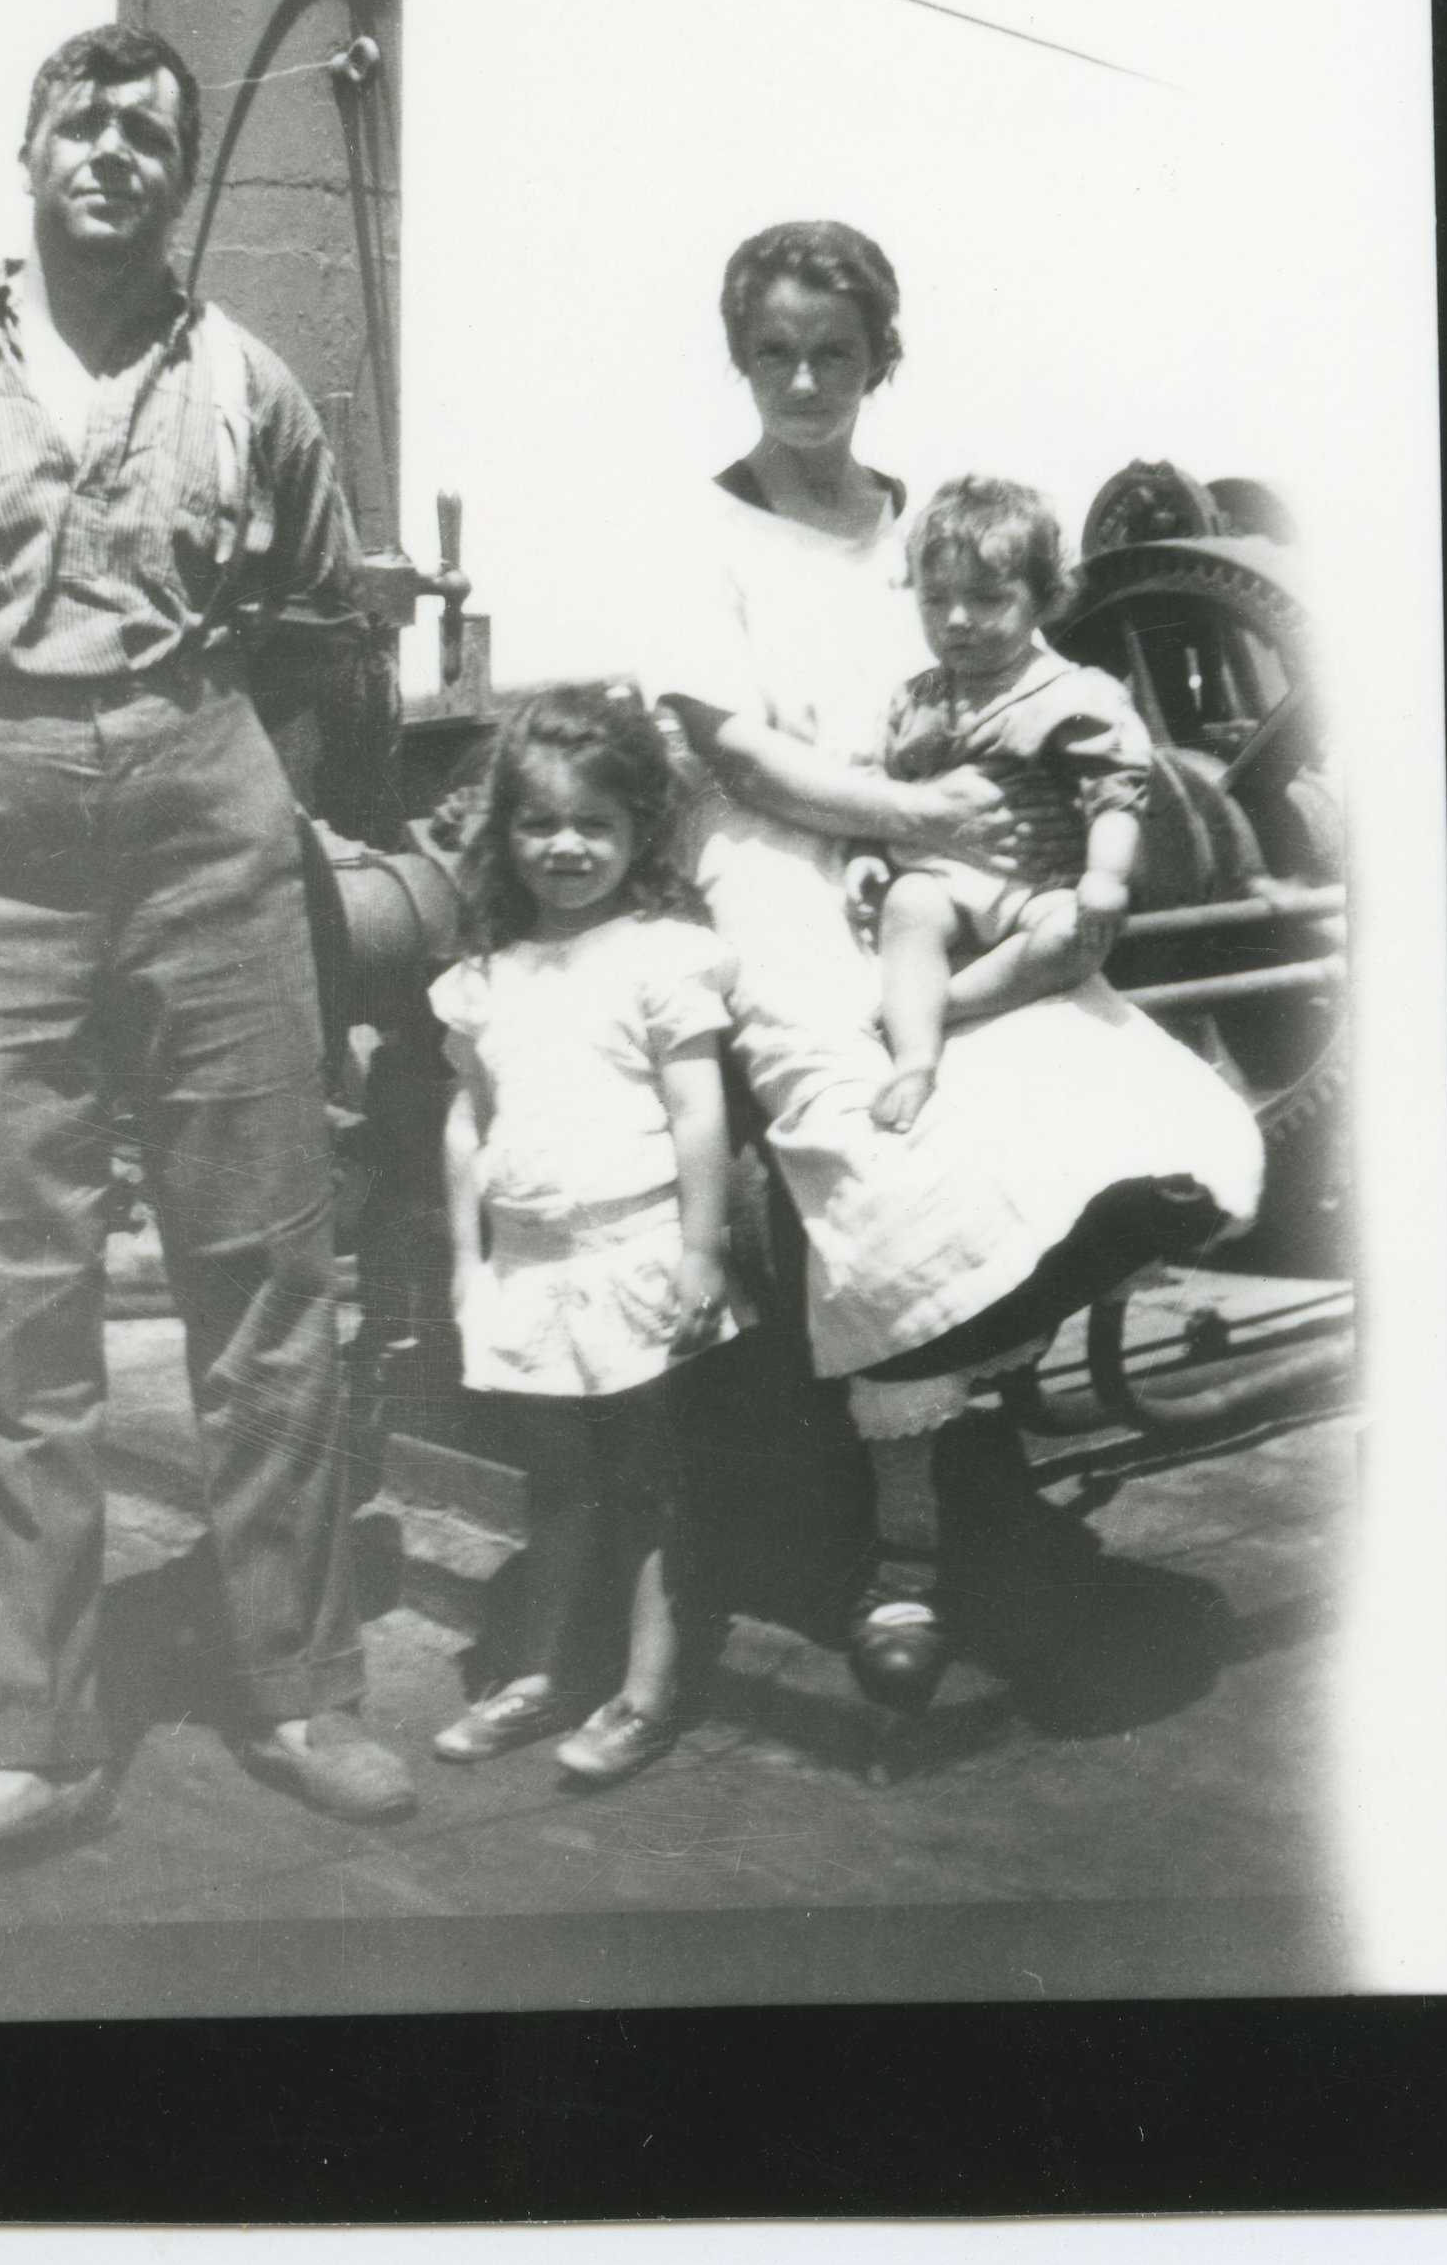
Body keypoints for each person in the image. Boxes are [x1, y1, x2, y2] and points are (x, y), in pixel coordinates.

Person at [0, 20, 416, 1902]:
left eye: (149, 127)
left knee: (265, 1275)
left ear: (177, 170)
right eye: (84, 118)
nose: (115, 148)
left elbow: (322, 632)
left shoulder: (249, 384)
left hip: (209, 812)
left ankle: (298, 1691)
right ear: (28, 145)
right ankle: (32, 1749)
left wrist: (257, 826)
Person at [655, 221, 1263, 1710]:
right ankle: (892, 1529)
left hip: (965, 858)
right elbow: (733, 746)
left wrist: (1066, 855)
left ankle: (966, 1443)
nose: (806, 380)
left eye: (835, 353)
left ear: (881, 361)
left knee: (1107, 1095)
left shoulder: (924, 532)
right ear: (741, 360)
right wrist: (907, 819)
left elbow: (1008, 699)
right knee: (879, 1134)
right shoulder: (701, 530)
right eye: (776, 352)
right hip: (785, 863)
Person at [426, 686, 735, 1787]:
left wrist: (700, 1253)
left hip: (632, 1253)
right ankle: (544, 1670)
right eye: (540, 824)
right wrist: (467, 1259)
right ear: (502, 836)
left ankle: (647, 1693)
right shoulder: (485, 978)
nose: (566, 847)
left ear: (637, 831)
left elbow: (699, 1109)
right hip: (529, 1263)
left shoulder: (660, 955)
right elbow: (470, 1120)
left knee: (649, 1479)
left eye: (594, 825)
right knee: (553, 1481)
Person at [859, 476, 1151, 1135]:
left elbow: (1115, 790)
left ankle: (945, 1003)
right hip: (946, 883)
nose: (957, 619)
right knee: (908, 905)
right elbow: (888, 787)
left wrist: (1104, 876)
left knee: (1075, 935)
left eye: (987, 599)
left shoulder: (1069, 693)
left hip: (1036, 885)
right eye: (936, 600)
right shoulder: (916, 699)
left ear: (1044, 598)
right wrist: (866, 857)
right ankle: (914, 1059)